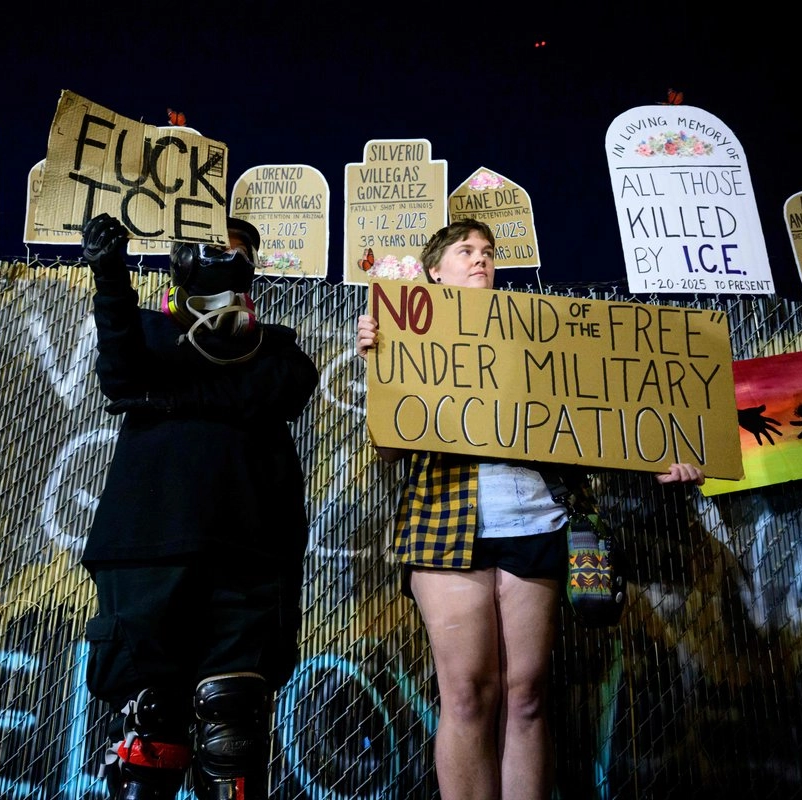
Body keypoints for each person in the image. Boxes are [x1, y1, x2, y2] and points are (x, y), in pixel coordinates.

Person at [355, 218, 705, 800]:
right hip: (446, 525)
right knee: (467, 692)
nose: (480, 260)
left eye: (488, 252)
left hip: (536, 521)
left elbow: (601, 415)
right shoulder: (402, 331)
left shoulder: (539, 335)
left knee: (528, 692)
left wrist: (663, 456)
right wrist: (381, 358)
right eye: (465, 251)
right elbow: (389, 446)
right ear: (434, 271)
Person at [79, 211, 319, 800]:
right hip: (148, 544)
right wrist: (110, 275)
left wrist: (170, 396)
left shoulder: (275, 350)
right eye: (211, 249)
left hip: (251, 552)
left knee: (232, 723)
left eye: (238, 253)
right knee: (149, 716)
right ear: (182, 260)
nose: (225, 260)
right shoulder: (149, 332)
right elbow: (119, 371)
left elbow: (283, 389)